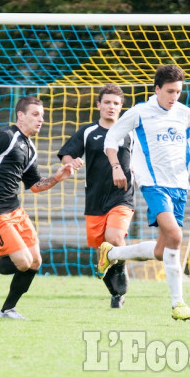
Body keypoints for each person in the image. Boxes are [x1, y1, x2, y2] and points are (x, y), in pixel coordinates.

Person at [98, 65, 190, 321]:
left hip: (180, 186)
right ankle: (178, 304)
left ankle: (111, 254)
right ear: (157, 89)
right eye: (169, 91)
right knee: (176, 237)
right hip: (153, 184)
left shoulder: (185, 114)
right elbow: (111, 139)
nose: (174, 97)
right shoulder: (140, 113)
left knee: (161, 251)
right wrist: (116, 167)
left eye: (178, 91)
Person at [0, 96, 75, 320]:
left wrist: (56, 178)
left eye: (42, 116)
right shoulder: (5, 137)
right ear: (21, 115)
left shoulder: (29, 148)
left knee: (35, 261)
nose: (40, 120)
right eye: (35, 115)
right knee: (23, 262)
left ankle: (7, 310)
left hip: (15, 210)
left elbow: (35, 186)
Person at [57, 84, 134, 309]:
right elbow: (66, 154)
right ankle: (116, 293)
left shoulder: (130, 133)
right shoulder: (88, 131)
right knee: (102, 253)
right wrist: (71, 162)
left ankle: (121, 270)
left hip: (122, 197)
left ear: (122, 107)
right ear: (98, 104)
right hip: (95, 200)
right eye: (107, 102)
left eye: (116, 103)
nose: (111, 107)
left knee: (115, 238)